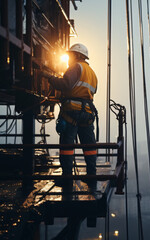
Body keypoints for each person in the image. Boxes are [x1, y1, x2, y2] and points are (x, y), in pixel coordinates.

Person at [47, 43, 98, 190]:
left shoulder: (76, 67)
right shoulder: (91, 72)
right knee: (89, 147)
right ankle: (91, 176)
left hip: (72, 113)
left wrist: (50, 78)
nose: (69, 58)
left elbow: (66, 84)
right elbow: (91, 91)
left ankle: (67, 179)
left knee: (67, 147)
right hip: (87, 113)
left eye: (70, 55)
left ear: (76, 55)